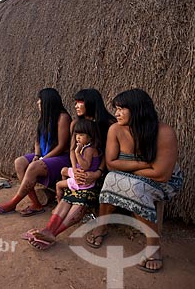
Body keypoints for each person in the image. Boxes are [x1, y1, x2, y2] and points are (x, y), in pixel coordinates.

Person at [86, 89, 183, 273]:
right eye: (116, 108)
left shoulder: (164, 132)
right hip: (139, 173)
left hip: (165, 182)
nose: (116, 113)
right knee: (111, 179)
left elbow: (162, 175)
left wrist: (130, 167)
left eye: (122, 109)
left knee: (134, 186)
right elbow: (112, 164)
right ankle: (102, 226)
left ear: (138, 110)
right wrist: (143, 163)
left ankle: (153, 245)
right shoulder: (116, 129)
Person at [25, 88, 115, 250]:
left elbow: (107, 155)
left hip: (101, 171)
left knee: (82, 196)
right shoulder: (76, 124)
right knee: (69, 195)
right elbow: (73, 150)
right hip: (80, 169)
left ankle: (53, 232)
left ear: (90, 102)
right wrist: (75, 169)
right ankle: (48, 230)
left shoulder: (108, 124)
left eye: (80, 102)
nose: (76, 106)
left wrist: (97, 173)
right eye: (75, 102)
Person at [0, 88, 72, 216]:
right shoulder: (43, 118)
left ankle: (13, 202)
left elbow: (61, 146)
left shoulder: (63, 118)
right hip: (45, 155)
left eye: (40, 100)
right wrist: (38, 155)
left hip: (60, 157)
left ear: (47, 101)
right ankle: (36, 204)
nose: (37, 103)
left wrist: (42, 159)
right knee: (19, 162)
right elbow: (37, 142)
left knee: (34, 167)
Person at [56, 119, 102, 201]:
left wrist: (77, 153)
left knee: (58, 185)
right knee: (63, 171)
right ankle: (68, 189)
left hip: (83, 179)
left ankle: (61, 200)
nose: (78, 137)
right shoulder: (85, 146)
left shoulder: (89, 149)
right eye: (77, 134)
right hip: (79, 173)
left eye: (81, 135)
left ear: (90, 137)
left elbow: (85, 166)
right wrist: (74, 168)